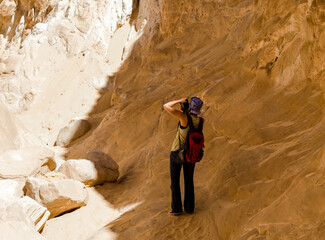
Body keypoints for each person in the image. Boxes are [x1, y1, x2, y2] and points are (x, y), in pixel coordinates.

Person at [163, 97, 204, 215]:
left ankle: (177, 209)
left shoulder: (184, 118)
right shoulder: (201, 121)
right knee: (189, 180)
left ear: (189, 107)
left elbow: (166, 106)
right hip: (191, 155)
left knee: (175, 181)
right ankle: (189, 208)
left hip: (177, 153)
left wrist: (178, 100)